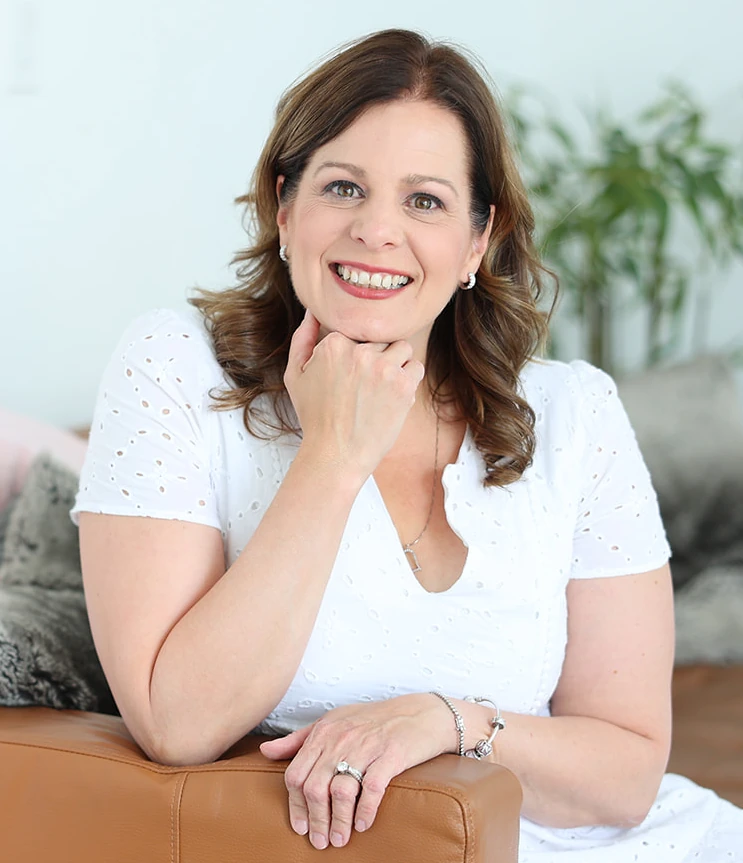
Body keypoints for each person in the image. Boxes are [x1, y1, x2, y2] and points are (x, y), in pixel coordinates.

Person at [71, 28, 743, 862]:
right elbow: (177, 722)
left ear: (475, 240)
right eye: (343, 187)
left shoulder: (577, 412)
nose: (376, 231)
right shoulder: (174, 366)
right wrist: (332, 457)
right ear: (285, 208)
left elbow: (625, 774)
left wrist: (449, 720)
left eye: (424, 200)